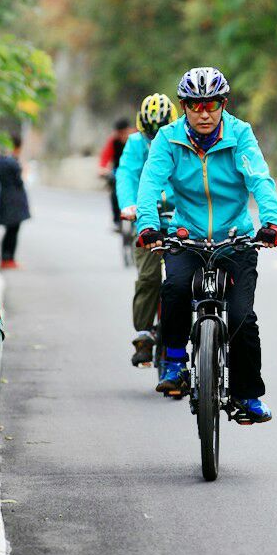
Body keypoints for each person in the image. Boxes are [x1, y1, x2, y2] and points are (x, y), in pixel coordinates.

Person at [135, 66, 277, 423]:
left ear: (223, 104)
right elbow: (149, 184)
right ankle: (174, 363)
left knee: (243, 318)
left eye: (212, 104)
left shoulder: (239, 134)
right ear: (183, 106)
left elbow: (259, 179)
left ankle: (247, 396)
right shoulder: (168, 139)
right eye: (196, 105)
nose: (204, 113)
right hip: (187, 235)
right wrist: (149, 225)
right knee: (172, 288)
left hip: (236, 239)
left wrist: (273, 221)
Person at [116, 93, 177, 367]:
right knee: (149, 277)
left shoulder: (181, 141)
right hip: (146, 221)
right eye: (150, 131)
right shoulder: (135, 144)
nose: (154, 136)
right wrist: (129, 204)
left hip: (180, 222)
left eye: (160, 130)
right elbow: (127, 175)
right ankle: (143, 333)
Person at [0, 133, 31, 270]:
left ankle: (6, 258)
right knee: (13, 230)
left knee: (10, 230)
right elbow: (19, 181)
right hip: (15, 199)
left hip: (4, 197)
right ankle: (8, 259)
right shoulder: (12, 163)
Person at [98, 118, 133, 228]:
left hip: (135, 170)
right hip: (119, 171)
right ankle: (117, 220)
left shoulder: (136, 139)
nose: (122, 136)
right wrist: (102, 169)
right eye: (120, 133)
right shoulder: (113, 141)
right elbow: (105, 156)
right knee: (114, 192)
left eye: (125, 132)